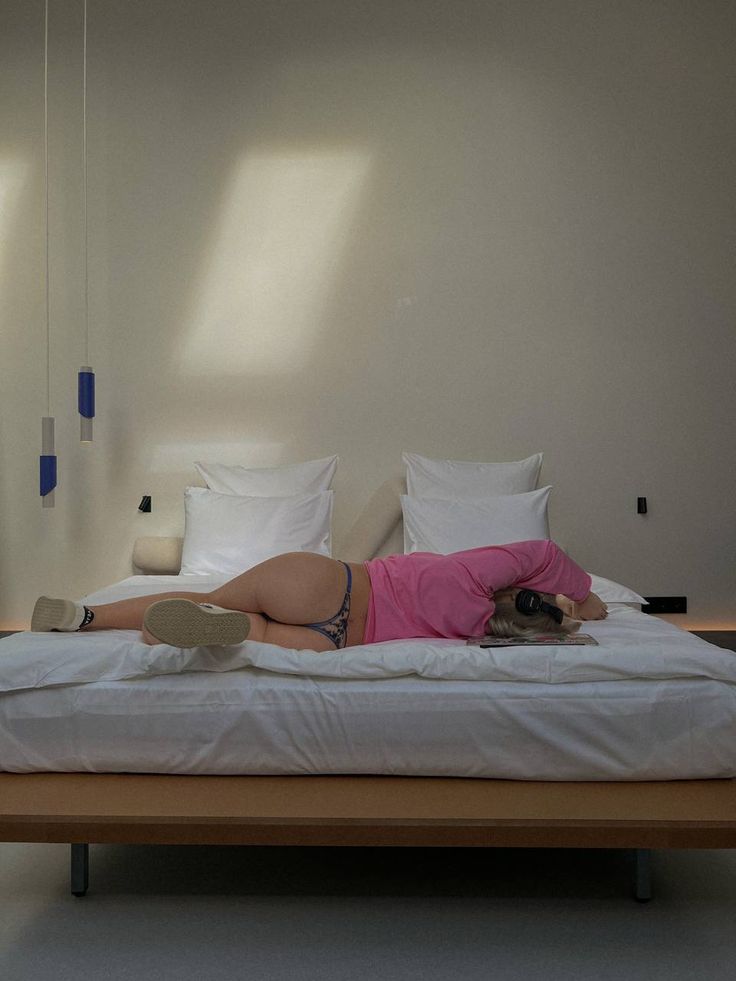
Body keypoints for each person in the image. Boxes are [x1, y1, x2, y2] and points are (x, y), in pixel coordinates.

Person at [30, 539, 607, 651]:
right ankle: (171, 630)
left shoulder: (477, 573)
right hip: (330, 640)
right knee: (251, 632)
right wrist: (568, 617)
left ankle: (86, 616)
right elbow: (564, 620)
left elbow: (544, 552)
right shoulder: (489, 632)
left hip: (328, 584)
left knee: (219, 598)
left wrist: (578, 593)